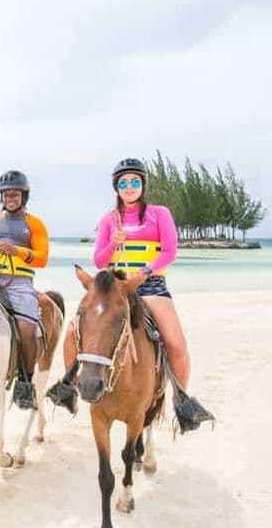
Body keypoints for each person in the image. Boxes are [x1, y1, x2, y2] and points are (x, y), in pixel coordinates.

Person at [93, 157, 191, 391]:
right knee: (75, 331)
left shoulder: (160, 214)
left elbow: (169, 252)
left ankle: (182, 398)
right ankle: (70, 385)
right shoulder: (109, 219)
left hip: (152, 286)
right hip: (115, 288)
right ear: (116, 187)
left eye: (134, 183)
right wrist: (112, 245)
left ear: (143, 185)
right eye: (123, 183)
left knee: (176, 344)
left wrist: (145, 271)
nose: (129, 188)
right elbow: (99, 261)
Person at [0, 170, 49, 410]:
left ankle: (25, 382)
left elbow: (43, 258)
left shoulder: (34, 224)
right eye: (5, 194)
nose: (10, 198)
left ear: (24, 196)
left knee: (27, 327)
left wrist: (19, 252)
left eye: (14, 194)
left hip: (19, 283)